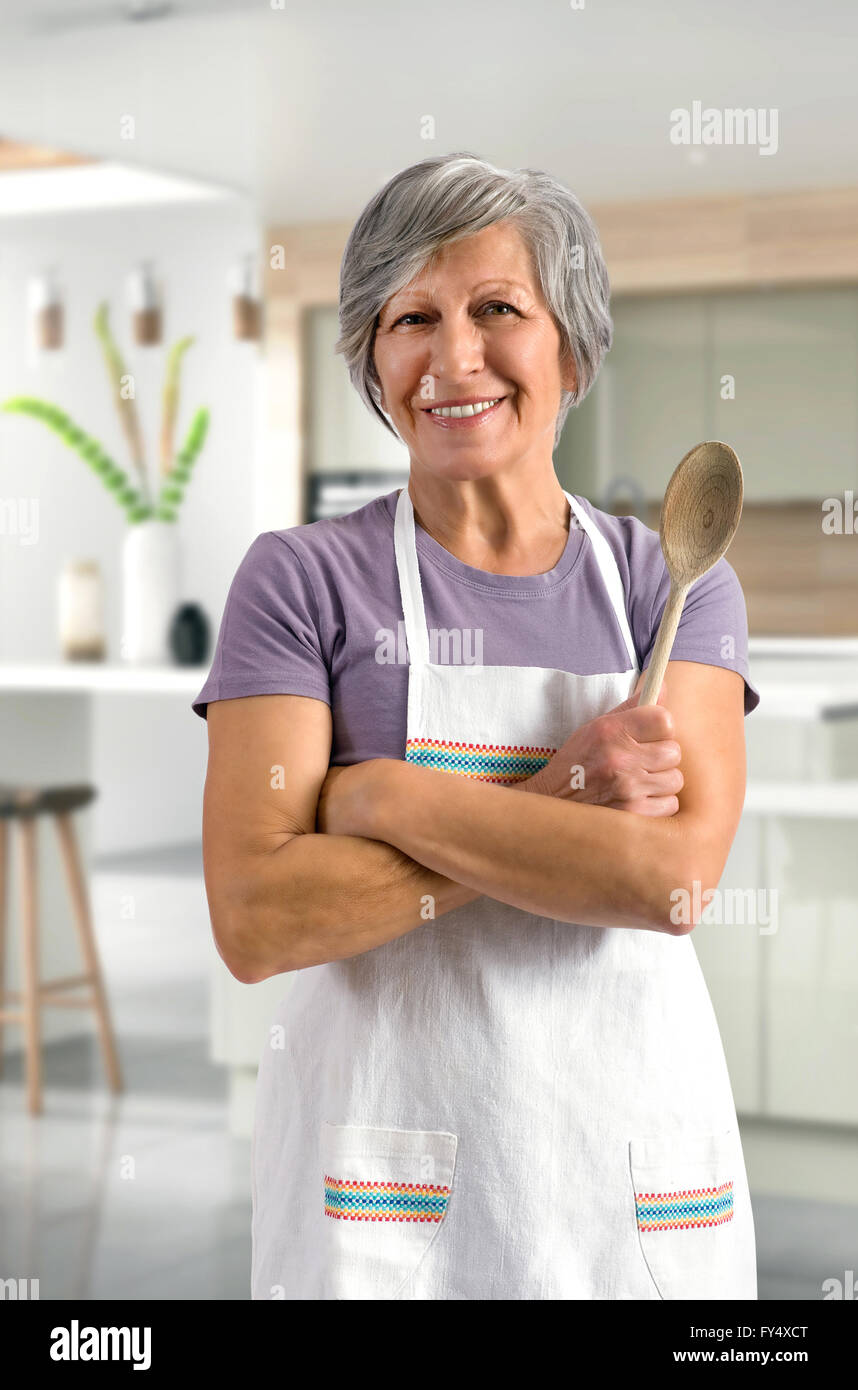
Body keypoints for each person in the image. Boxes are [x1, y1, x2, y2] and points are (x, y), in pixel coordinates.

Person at [193, 152, 760, 1300]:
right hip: (389, 1191)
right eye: (411, 318)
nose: (453, 360)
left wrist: (380, 796)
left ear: (571, 344)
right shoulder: (300, 582)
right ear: (372, 357)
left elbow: (668, 886)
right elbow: (259, 918)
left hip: (632, 1183)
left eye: (498, 309)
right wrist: (561, 799)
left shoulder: (674, 586)